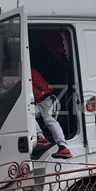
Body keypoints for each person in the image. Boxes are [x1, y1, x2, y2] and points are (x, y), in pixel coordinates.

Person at [32, 30, 72, 159]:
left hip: (49, 100)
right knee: (28, 114)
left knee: (49, 119)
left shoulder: (31, 72)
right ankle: (41, 138)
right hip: (40, 103)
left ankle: (63, 147)